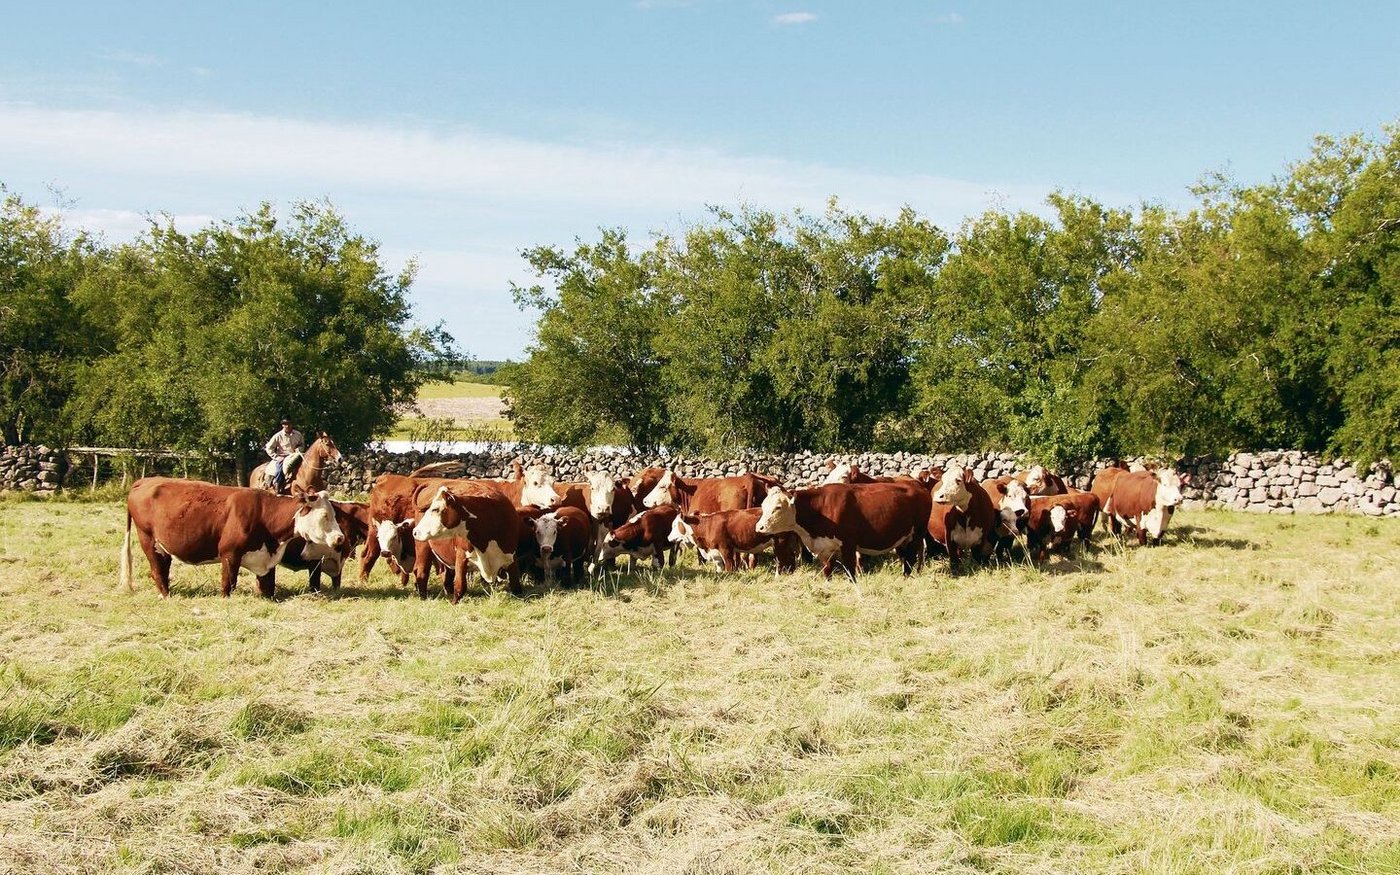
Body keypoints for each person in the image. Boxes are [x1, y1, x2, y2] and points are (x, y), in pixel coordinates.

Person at [264, 418, 305, 494]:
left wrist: (299, 448)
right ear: (282, 425)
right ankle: (278, 485)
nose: (287, 426)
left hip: (295, 455)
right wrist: (276, 457)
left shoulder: (298, 434)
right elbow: (269, 448)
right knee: (279, 469)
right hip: (283, 457)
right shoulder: (278, 436)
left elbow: (302, 444)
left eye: (289, 424)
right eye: (285, 424)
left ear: (292, 424)